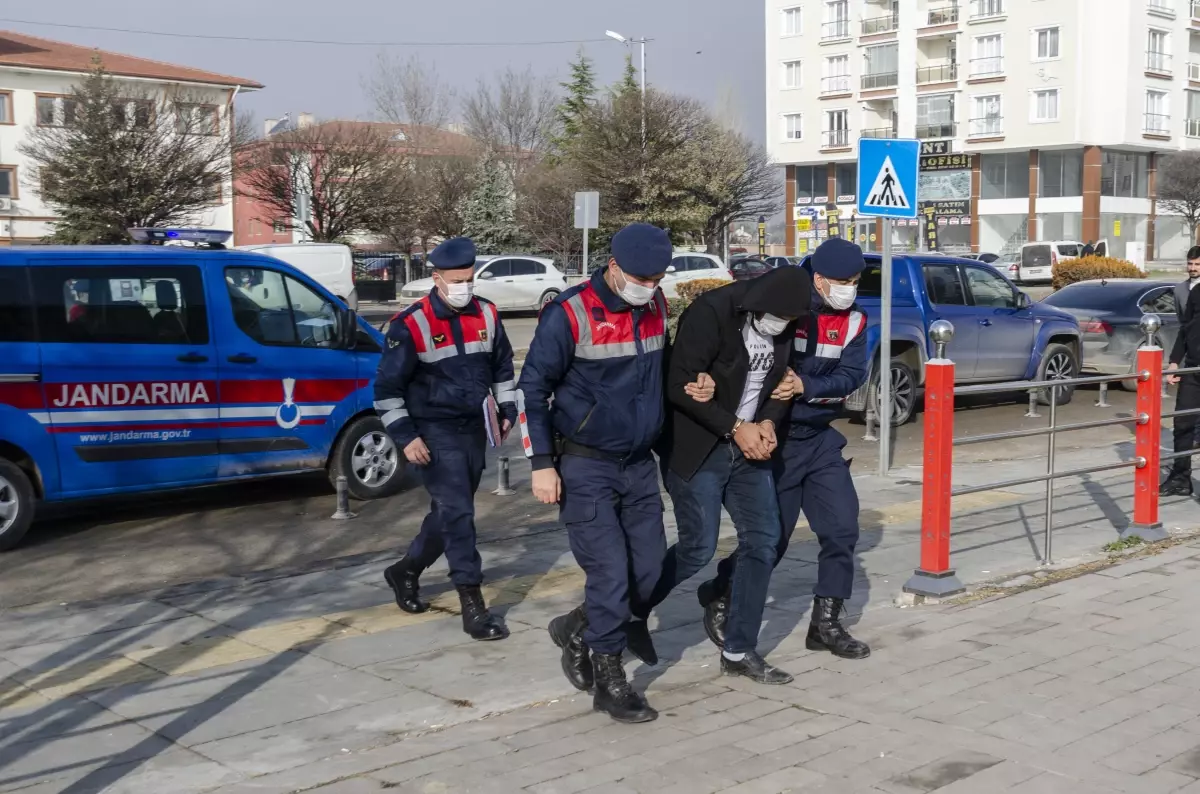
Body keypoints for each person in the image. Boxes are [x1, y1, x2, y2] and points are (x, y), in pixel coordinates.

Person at [518, 223, 684, 724]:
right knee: (610, 573)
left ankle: (576, 625)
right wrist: (542, 464)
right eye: (640, 277)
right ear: (613, 267)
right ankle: (610, 678)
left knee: (650, 570)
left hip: (637, 465)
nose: (648, 286)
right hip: (585, 463)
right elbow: (530, 392)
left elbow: (659, 374)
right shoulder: (568, 314)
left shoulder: (654, 306)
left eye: (656, 278)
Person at [628, 267, 810, 684]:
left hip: (749, 450)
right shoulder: (712, 312)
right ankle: (621, 612)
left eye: (792, 320)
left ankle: (739, 649)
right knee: (698, 547)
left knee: (764, 540)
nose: (783, 326)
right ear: (758, 302)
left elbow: (778, 382)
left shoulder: (785, 319)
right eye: (779, 317)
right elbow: (677, 385)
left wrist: (767, 421)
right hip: (700, 446)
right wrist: (734, 426)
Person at [701, 237, 873, 660]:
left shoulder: (854, 322)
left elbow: (852, 376)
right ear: (818, 278)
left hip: (818, 442)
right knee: (771, 540)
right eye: (841, 281)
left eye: (854, 281)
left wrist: (806, 386)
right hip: (774, 439)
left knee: (842, 530)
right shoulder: (785, 307)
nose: (848, 289)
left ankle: (826, 624)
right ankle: (724, 592)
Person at [375, 236, 517, 641]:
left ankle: (404, 571)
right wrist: (405, 436)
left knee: (450, 513)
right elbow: (386, 390)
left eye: (469, 279)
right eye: (456, 280)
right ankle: (472, 603)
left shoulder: (487, 314)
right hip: (433, 431)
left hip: (473, 427)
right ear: (436, 278)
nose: (464, 287)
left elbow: (503, 369)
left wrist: (507, 411)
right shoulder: (411, 324)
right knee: (459, 514)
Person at [1163, 245, 1200, 496]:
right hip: (1193, 368)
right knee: (1183, 422)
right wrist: (1175, 362)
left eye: (1197, 264)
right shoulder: (1193, 293)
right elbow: (1185, 329)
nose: (1193, 268)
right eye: (1191, 263)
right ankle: (1180, 478)